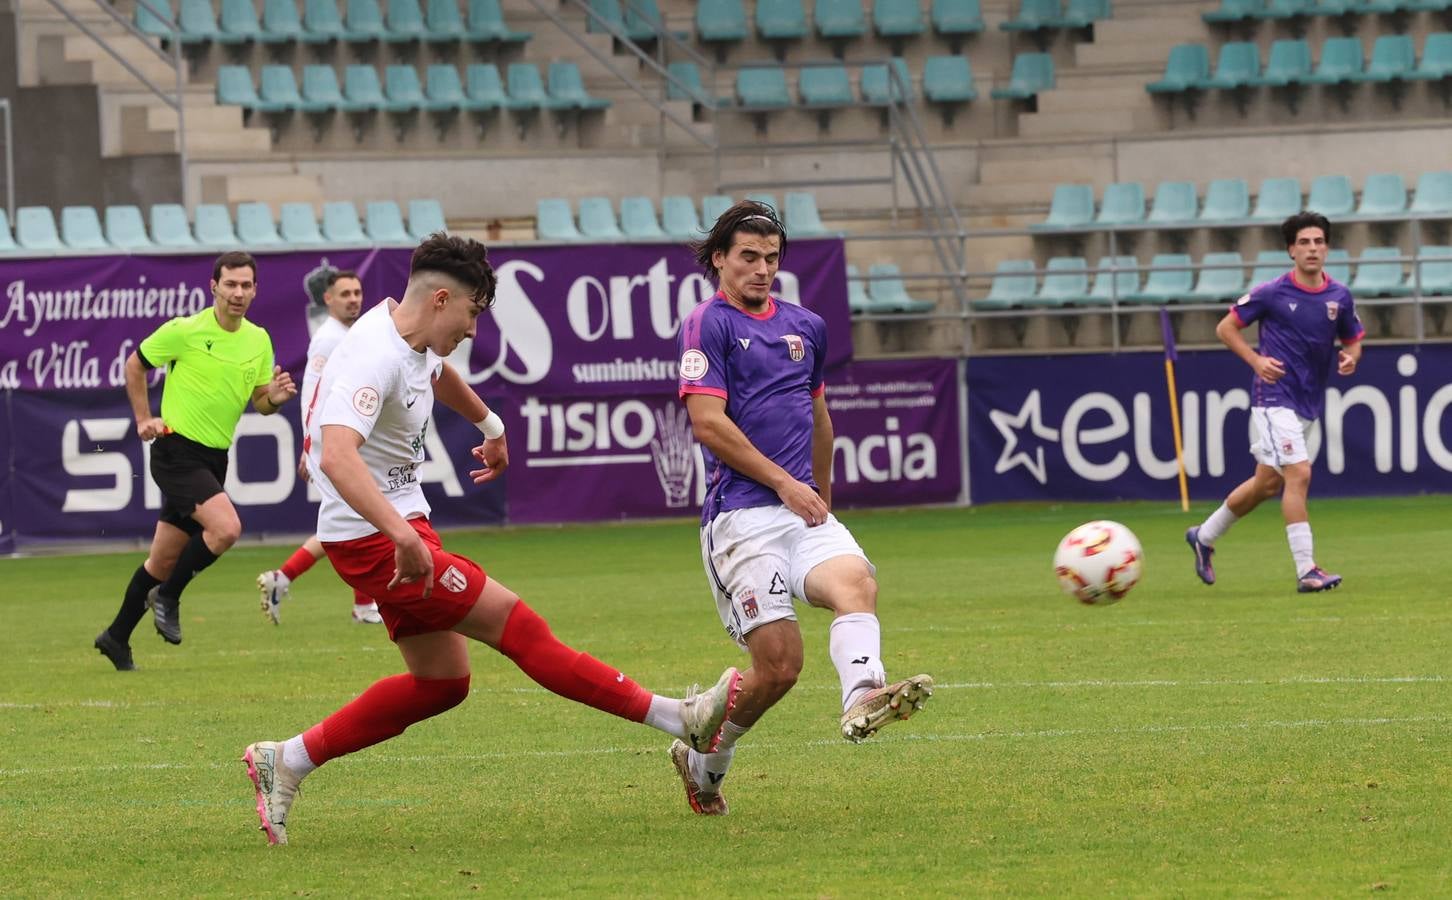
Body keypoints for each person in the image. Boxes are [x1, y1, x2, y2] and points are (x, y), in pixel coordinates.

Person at [242, 234, 741, 845]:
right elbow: (337, 457)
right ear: (443, 299)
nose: (476, 329)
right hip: (374, 541)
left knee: (443, 682)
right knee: (518, 625)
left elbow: (436, 371)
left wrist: (491, 424)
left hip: (397, 529)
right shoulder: (368, 356)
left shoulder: (406, 332)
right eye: (474, 313)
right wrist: (401, 536)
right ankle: (678, 718)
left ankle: (286, 760)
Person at [669, 201, 933, 816]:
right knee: (780, 667)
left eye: (772, 258)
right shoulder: (706, 324)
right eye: (749, 257)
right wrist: (787, 484)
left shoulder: (806, 325)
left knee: (856, 582)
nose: (762, 269)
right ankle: (704, 763)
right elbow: (708, 424)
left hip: (802, 512)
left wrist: (823, 502)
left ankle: (863, 693)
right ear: (719, 260)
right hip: (740, 516)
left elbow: (819, 418)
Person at [93, 251, 297, 670]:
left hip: (213, 458)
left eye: (246, 285)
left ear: (255, 290)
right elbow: (135, 365)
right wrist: (143, 418)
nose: (238, 292)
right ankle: (167, 596)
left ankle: (116, 637)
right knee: (226, 529)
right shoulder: (185, 331)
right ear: (214, 286)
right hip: (175, 450)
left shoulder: (258, 339)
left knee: (162, 560)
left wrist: (273, 400)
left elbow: (260, 402)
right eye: (230, 284)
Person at [1186, 211, 1364, 593]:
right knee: (1298, 474)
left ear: (1327, 248)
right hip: (1273, 399)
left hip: (1306, 402)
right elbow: (1226, 327)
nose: (1312, 248)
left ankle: (1203, 535)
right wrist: (1256, 360)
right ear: (1291, 250)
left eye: (1318, 241)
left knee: (1266, 484)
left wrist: (1352, 356)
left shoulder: (1339, 296)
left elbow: (1353, 338)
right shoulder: (1272, 293)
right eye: (1304, 242)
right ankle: (1307, 571)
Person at [255, 269, 384, 625]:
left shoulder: (347, 334)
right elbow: (313, 393)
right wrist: (310, 444)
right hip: (331, 443)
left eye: (357, 292)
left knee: (349, 520)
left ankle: (283, 578)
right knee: (359, 517)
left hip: (337, 441)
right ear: (328, 299)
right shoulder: (329, 339)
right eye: (345, 293)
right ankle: (363, 605)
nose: (354, 298)